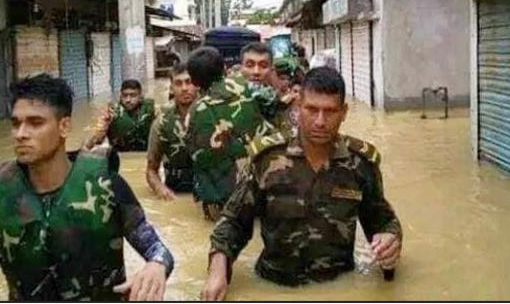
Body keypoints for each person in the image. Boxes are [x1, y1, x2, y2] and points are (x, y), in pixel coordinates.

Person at [0, 74, 174, 301]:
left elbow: (157, 249)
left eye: (35, 123)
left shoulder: (106, 186)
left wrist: (156, 265)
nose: (21, 134)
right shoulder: (1, 199)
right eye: (16, 124)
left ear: (64, 127)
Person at [201, 67, 402, 300]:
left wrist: (390, 240)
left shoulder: (361, 165)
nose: (320, 121)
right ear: (297, 107)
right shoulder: (268, 159)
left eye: (330, 112)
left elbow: (383, 220)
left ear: (344, 112)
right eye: (311, 109)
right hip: (274, 285)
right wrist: (217, 272)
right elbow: (233, 222)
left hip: (339, 286)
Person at [185, 47, 274, 221]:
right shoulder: (246, 86)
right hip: (258, 194)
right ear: (225, 68)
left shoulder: (194, 112)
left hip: (220, 204)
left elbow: (193, 154)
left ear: (194, 82)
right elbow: (274, 103)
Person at [146, 63, 198, 199]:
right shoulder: (162, 122)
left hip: (208, 190)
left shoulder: (212, 113)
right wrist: (160, 188)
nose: (185, 88)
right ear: (171, 88)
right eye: (178, 83)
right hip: (175, 189)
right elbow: (151, 170)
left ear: (197, 84)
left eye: (189, 82)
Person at [85, 79, 156, 152]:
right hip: (120, 156)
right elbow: (97, 139)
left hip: (145, 155)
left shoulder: (152, 110)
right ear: (120, 96)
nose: (128, 100)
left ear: (140, 96)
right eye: (125, 96)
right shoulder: (111, 113)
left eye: (133, 95)